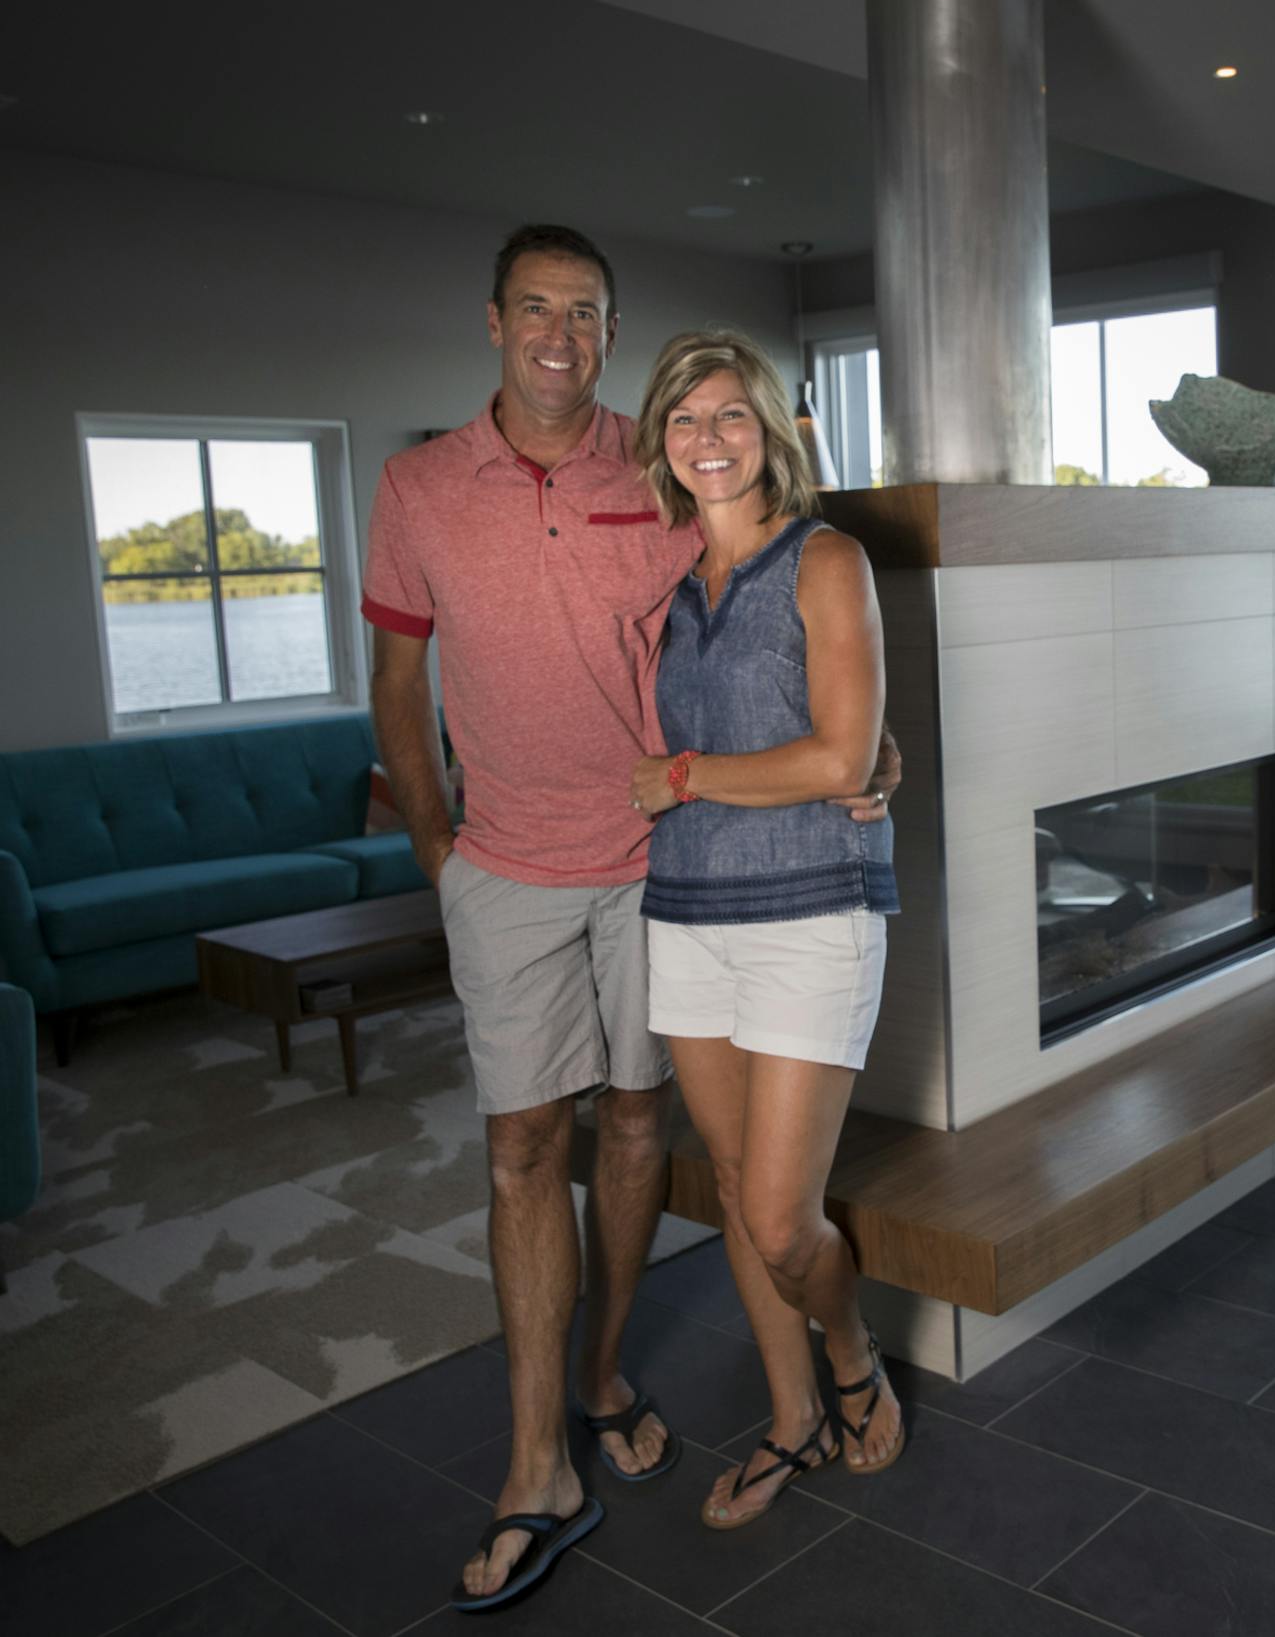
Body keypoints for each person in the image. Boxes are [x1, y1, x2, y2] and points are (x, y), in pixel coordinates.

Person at [363, 227, 896, 1611]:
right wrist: (441, 852)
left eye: (585, 313)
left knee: (653, 1140)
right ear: (494, 321)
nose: (559, 333)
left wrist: (870, 756)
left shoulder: (653, 472)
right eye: (535, 309)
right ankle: (537, 1462)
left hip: (659, 873)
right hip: (516, 870)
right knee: (529, 1144)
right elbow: (397, 684)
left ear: (609, 331)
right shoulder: (419, 485)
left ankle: (606, 1374)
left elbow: (777, 641)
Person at [626, 329, 905, 1529]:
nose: (710, 440)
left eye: (732, 415)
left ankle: (848, 1350)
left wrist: (684, 776)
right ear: (662, 444)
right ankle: (792, 1423)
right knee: (737, 1189)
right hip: (686, 918)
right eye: (687, 420)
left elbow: (844, 754)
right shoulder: (667, 586)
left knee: (788, 1216)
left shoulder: (827, 558)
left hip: (811, 915)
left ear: (773, 433)